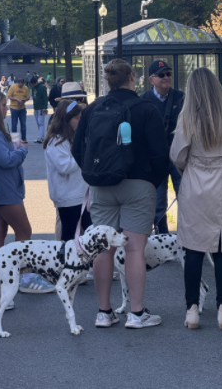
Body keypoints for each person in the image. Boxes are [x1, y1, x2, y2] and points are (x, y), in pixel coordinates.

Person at [73, 58, 169, 329]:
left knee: (103, 249)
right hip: (138, 184)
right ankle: (136, 314)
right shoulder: (146, 109)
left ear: (107, 81)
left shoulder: (92, 110)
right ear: (133, 79)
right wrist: (152, 181)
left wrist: (93, 175)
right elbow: (160, 155)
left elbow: (77, 149)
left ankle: (104, 312)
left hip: (101, 186)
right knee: (135, 248)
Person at [171, 67, 222, 330]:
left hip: (197, 180)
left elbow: (178, 155)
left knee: (194, 247)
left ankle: (192, 309)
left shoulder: (188, 118)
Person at [0, 89, 53, 294]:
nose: (6, 108)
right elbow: (5, 159)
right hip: (5, 189)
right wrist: (22, 150)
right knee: (24, 230)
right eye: (3, 105)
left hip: (0, 187)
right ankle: (24, 276)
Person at [141, 60, 185, 234]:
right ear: (152, 79)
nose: (166, 77)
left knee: (185, 198)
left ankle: (187, 238)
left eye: (168, 73)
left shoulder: (181, 97)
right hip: (155, 160)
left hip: (178, 157)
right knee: (158, 202)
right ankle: (162, 237)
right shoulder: (143, 100)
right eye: (161, 75)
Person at [44, 99, 90, 240]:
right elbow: (64, 167)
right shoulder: (55, 141)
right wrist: (83, 153)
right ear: (66, 120)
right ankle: (67, 262)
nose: (80, 121)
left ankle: (85, 261)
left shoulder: (75, 137)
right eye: (77, 118)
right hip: (68, 197)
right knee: (69, 236)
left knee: (88, 234)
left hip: (82, 195)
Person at [5, 77, 30, 143]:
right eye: (20, 85)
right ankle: (14, 139)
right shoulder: (13, 87)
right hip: (14, 108)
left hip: (22, 108)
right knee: (14, 124)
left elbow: (28, 97)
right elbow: (9, 96)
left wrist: (25, 99)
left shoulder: (26, 88)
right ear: (17, 83)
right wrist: (16, 99)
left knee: (23, 124)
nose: (21, 86)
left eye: (22, 85)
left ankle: (24, 139)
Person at [30, 77, 49, 144]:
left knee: (40, 122)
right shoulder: (33, 88)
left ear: (35, 83)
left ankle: (41, 137)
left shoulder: (42, 87)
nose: (32, 85)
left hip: (41, 107)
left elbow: (45, 97)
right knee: (38, 122)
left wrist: (45, 107)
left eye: (33, 84)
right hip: (36, 107)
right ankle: (41, 136)